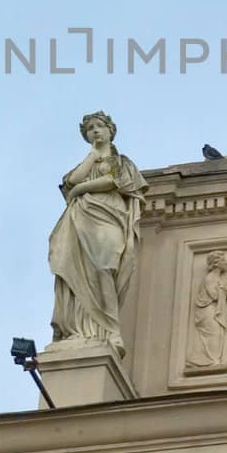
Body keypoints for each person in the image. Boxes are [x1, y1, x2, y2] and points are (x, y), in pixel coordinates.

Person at [47, 111, 148, 355]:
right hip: (82, 218)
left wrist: (81, 189)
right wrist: (91, 156)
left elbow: (113, 182)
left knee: (106, 267)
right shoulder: (90, 161)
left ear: (110, 130)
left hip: (109, 215)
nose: (95, 131)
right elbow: (72, 179)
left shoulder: (120, 161)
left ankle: (111, 328)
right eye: (90, 128)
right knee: (83, 270)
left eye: (99, 126)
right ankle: (88, 330)